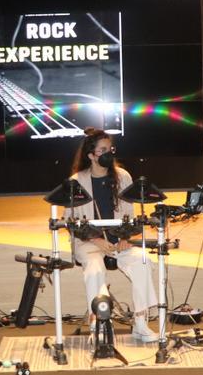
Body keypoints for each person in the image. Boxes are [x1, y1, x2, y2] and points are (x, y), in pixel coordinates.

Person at [65, 128, 157, 341]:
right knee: (95, 269)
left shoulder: (123, 177)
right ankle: (98, 325)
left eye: (111, 149)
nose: (109, 153)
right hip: (88, 242)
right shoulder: (77, 181)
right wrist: (96, 239)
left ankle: (141, 323)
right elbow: (71, 222)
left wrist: (125, 239)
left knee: (142, 262)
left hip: (118, 243)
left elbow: (131, 214)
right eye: (103, 149)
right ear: (91, 155)